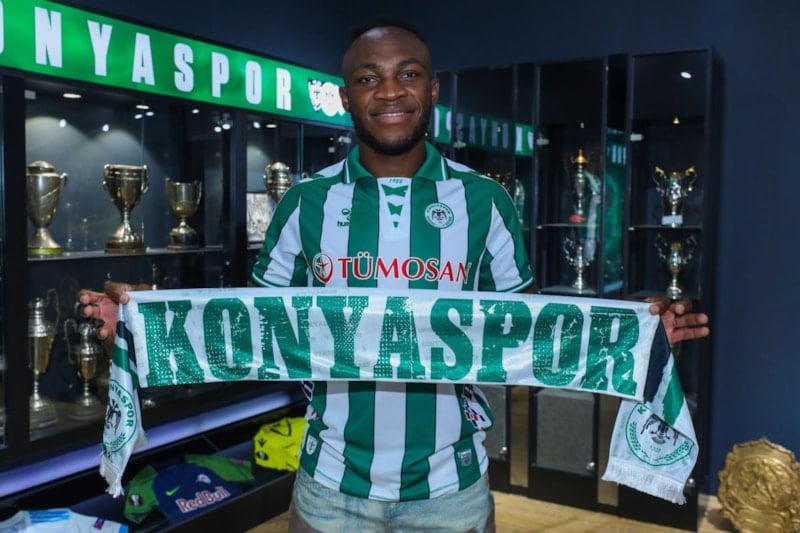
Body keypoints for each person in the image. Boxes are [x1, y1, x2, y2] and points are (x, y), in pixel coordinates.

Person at [78, 20, 710, 533]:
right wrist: (146, 320)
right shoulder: (305, 202)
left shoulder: (485, 201)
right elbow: (253, 325)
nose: (389, 91)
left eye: (407, 74)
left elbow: (526, 328)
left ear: (432, 90)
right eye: (368, 77)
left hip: (451, 492)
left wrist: (634, 333)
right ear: (346, 96)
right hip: (329, 488)